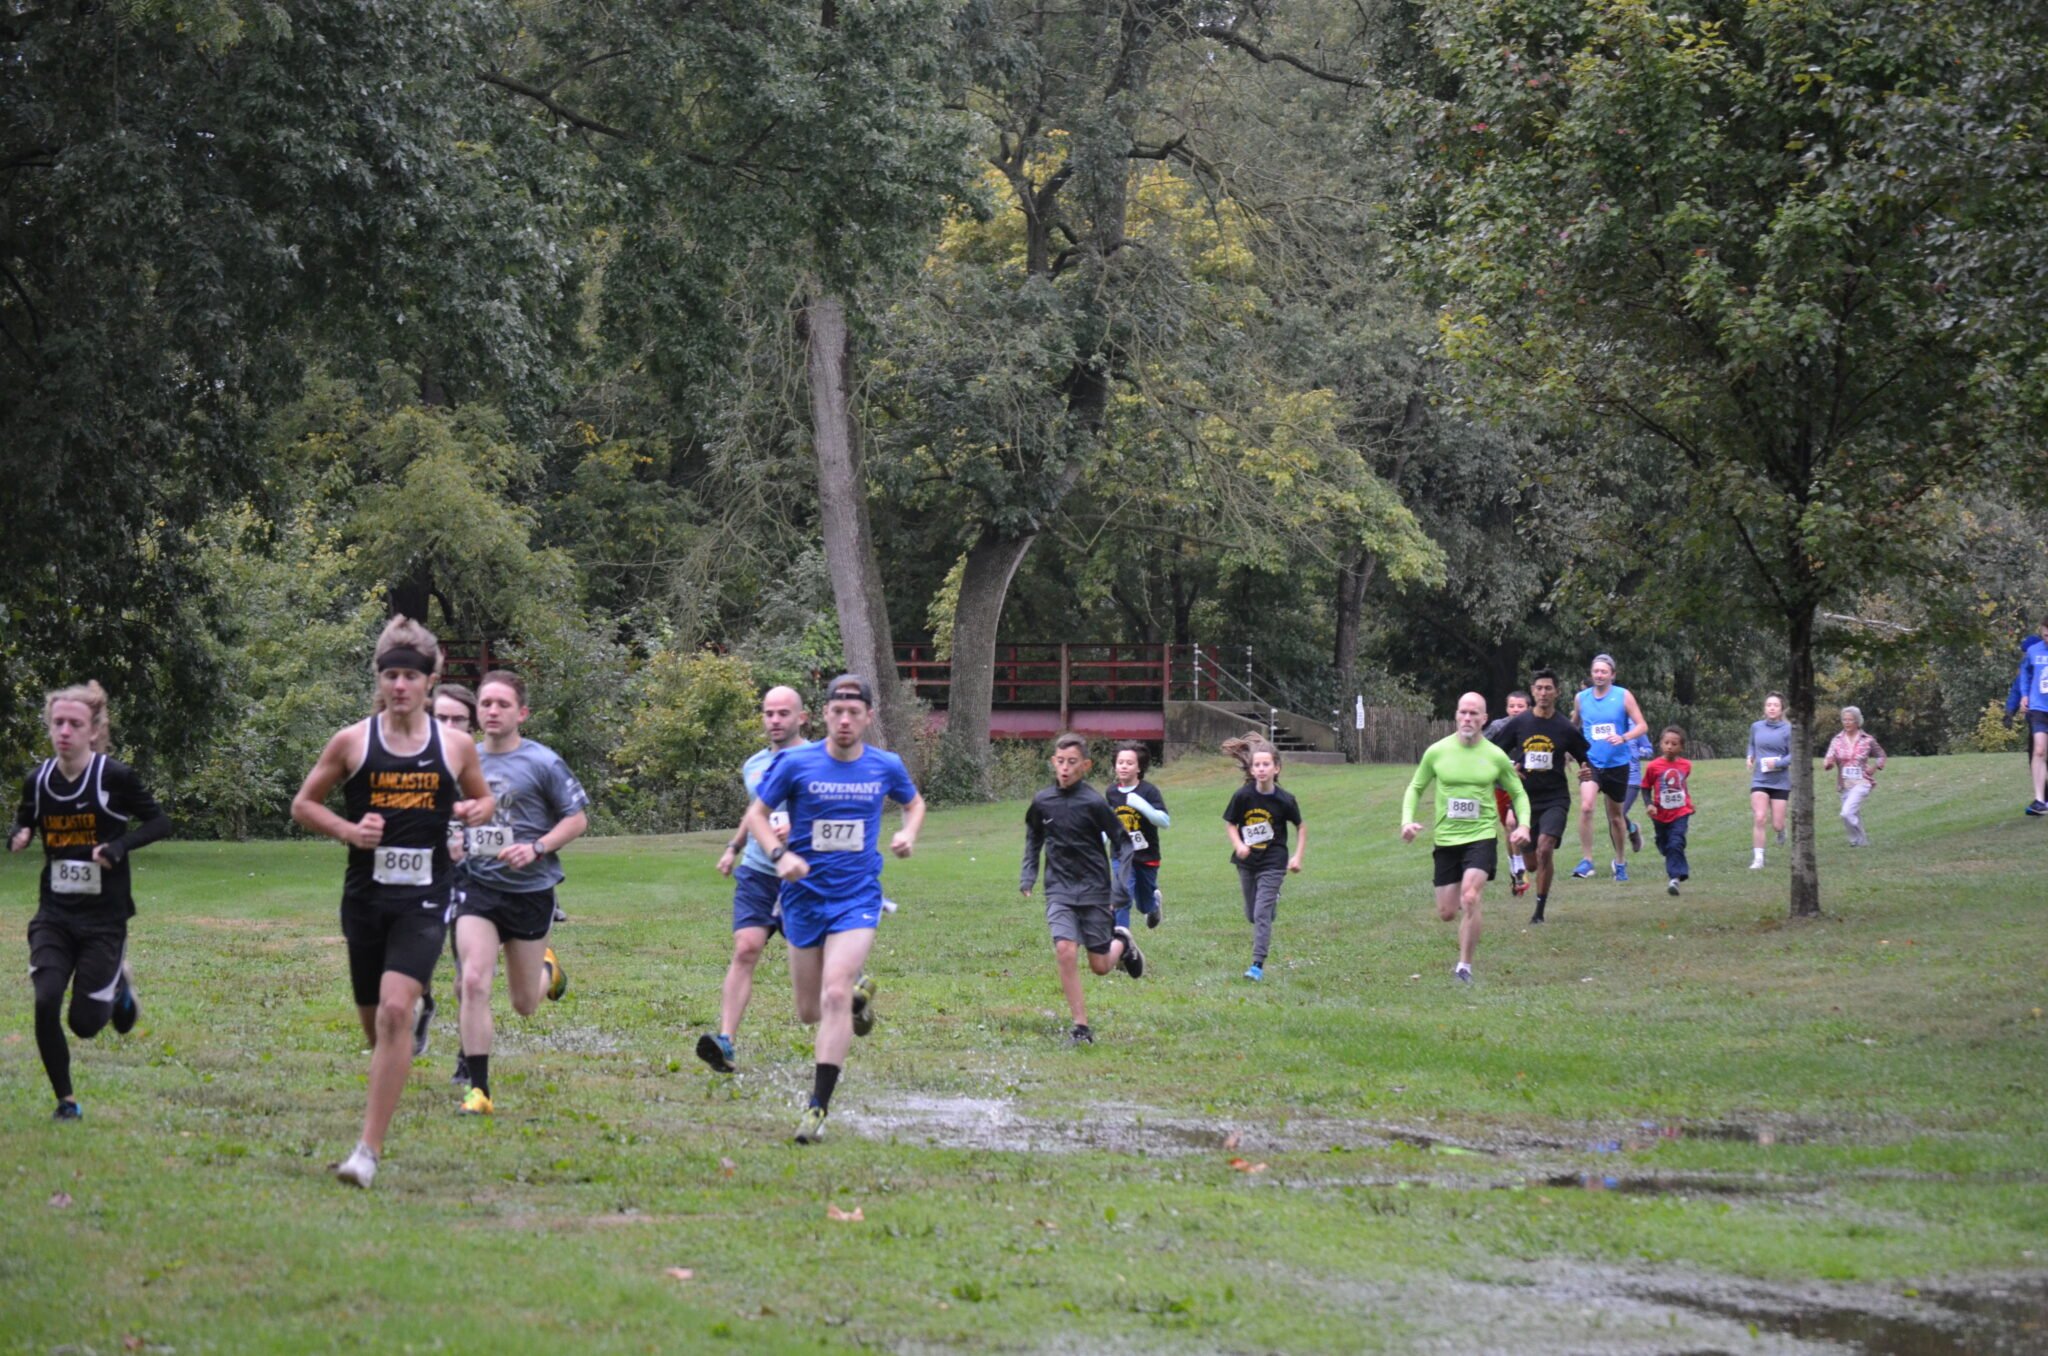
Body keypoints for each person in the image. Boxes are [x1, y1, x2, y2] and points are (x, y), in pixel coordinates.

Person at [291, 617, 492, 1187]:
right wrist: (350, 832)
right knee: (375, 1029)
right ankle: (409, 1025)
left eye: (410, 675)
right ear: (378, 680)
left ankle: (367, 1153)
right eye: (389, 675)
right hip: (366, 899)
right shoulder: (352, 742)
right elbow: (304, 805)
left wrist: (479, 811)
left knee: (394, 1010)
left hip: (426, 895)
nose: (399, 685)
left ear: (430, 682)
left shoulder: (455, 745)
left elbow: (483, 801)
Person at [744, 674, 924, 1144]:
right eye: (837, 713)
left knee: (834, 994)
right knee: (808, 1011)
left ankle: (817, 1108)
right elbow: (758, 817)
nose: (845, 721)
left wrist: (908, 833)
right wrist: (781, 857)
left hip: (857, 898)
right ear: (824, 714)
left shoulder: (885, 765)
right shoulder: (794, 762)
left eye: (854, 714)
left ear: (868, 717)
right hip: (804, 899)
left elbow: (914, 802)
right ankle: (859, 1002)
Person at [11, 682, 171, 1120]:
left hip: (104, 920)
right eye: (57, 723)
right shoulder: (38, 780)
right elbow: (25, 816)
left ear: (93, 731)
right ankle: (66, 1101)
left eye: (74, 724)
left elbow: (160, 822)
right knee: (45, 1000)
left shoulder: (114, 778)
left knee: (83, 1024)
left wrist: (119, 846)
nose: (64, 731)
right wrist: (20, 833)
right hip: (55, 915)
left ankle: (119, 984)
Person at [451, 671, 590, 1115]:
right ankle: (479, 1088)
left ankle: (550, 971)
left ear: (522, 713)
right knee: (473, 980)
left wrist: (536, 848)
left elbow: (577, 819)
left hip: (531, 891)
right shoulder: (464, 759)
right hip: (478, 886)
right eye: (485, 703)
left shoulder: (543, 762)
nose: (492, 711)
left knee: (524, 1003)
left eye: (502, 704)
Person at [700, 685, 810, 1073]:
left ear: (802, 717)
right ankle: (725, 1041)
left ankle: (853, 995)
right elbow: (755, 811)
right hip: (759, 871)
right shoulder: (754, 764)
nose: (775, 720)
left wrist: (799, 827)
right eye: (769, 713)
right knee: (746, 947)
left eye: (783, 713)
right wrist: (733, 847)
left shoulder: (817, 760)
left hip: (803, 874)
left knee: (817, 967)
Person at [1022, 735, 1146, 1047]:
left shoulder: (1093, 803)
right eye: (1060, 761)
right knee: (1065, 949)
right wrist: (1029, 874)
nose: (1065, 768)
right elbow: (1034, 836)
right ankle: (1080, 1027)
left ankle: (1123, 944)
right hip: (1059, 889)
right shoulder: (1042, 801)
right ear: (1053, 762)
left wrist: (1118, 889)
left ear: (1086, 766)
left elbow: (1124, 842)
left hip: (1094, 889)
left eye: (1072, 762)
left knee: (1100, 966)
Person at [1402, 693, 1530, 983]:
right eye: (1463, 712)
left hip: (1481, 836)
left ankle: (1464, 967)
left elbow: (1519, 793)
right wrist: (1407, 821)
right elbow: (1415, 788)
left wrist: (1524, 825)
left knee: (1470, 897)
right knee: (1447, 912)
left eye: (1475, 713)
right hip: (1447, 839)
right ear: (1456, 716)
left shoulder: (1495, 755)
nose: (1468, 718)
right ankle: (1463, 909)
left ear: (1485, 719)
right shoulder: (1437, 752)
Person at [1488, 669, 1591, 924]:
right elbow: (1493, 752)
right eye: (1539, 688)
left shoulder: (1565, 727)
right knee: (1532, 863)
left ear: (1556, 692)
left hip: (1555, 797)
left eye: (1548, 688)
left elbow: (1586, 759)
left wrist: (1587, 771)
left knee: (1546, 848)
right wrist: (1509, 767)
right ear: (1533, 691)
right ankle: (1526, 867)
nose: (1544, 693)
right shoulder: (1520, 723)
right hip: (1524, 799)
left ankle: (1539, 911)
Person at [1221, 735, 1305, 982]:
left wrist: (1297, 857)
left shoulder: (1285, 799)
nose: (1261, 769)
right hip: (1247, 862)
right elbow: (1230, 823)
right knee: (1252, 914)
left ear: (1276, 768)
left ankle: (1257, 965)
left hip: (1274, 861)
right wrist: (1238, 845)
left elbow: (1301, 827)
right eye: (1257, 765)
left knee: (1260, 914)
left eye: (1266, 765)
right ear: (1251, 768)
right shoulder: (1243, 796)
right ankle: (1270, 903)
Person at [430, 684, 479, 1079]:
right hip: (420, 882)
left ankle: (467, 1057)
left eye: (457, 719)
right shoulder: (410, 763)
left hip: (472, 886)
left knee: (468, 978)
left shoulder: (486, 770)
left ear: (471, 726)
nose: (448, 726)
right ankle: (421, 1005)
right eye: (440, 718)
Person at [1571, 655, 1649, 882]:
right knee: (1586, 807)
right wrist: (1566, 750)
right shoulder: (1581, 698)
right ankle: (1587, 861)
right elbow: (1573, 727)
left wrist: (1624, 737)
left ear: (1612, 675)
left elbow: (1642, 726)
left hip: (1617, 764)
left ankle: (1621, 862)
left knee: (1616, 817)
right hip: (1591, 762)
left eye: (1604, 671)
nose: (1599, 675)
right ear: (1591, 673)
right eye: (1596, 671)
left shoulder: (1623, 696)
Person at [1105, 742, 1167, 931]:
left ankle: (1153, 905)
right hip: (1121, 855)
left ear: (1139, 768)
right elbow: (1106, 822)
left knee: (1143, 905)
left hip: (1147, 855)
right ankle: (1122, 941)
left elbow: (1164, 821)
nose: (1123, 766)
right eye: (1120, 762)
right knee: (1122, 895)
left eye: (1129, 763)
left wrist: (1141, 805)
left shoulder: (1148, 791)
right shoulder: (1111, 792)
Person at [1485, 690, 1532, 894]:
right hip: (1502, 786)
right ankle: (1516, 868)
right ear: (1506, 708)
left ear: (1528, 708)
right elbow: (1483, 748)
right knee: (1509, 826)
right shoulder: (1497, 727)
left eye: (1520, 706)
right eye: (1512, 706)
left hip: (1528, 784)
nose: (1516, 710)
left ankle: (1522, 865)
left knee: (1522, 826)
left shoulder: (1533, 725)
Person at [1640, 726, 1695, 895]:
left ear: (1681, 747)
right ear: (1660, 744)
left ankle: (1675, 878)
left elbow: (1682, 785)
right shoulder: (1653, 766)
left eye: (1674, 744)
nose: (1670, 746)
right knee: (1665, 844)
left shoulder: (1686, 765)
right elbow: (1645, 787)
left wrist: (1687, 803)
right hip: (1660, 814)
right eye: (1666, 743)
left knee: (1676, 841)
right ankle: (1677, 864)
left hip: (1681, 812)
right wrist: (1649, 804)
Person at [1822, 706, 1889, 846]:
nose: (1847, 723)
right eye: (1844, 720)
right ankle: (1857, 841)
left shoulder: (1867, 740)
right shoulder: (1837, 740)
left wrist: (1875, 767)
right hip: (1845, 784)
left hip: (1862, 781)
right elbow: (1829, 757)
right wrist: (1828, 763)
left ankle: (1860, 839)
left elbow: (1881, 755)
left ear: (1857, 721)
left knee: (1846, 813)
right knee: (1853, 813)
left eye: (1850, 720)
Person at [1746, 692, 1794, 868]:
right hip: (1760, 780)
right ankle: (1758, 859)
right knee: (1759, 818)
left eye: (1775, 705)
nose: (1772, 708)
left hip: (1780, 781)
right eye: (1769, 705)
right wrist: (1750, 756)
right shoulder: (1756, 727)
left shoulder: (1788, 729)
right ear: (1764, 708)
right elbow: (1751, 744)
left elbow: (1794, 754)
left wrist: (1778, 763)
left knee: (1777, 824)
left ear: (1781, 709)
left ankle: (1781, 830)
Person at [2014, 619, 2048, 815]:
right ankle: (2039, 800)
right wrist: (2025, 695)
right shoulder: (2034, 651)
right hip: (2038, 708)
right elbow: (2024, 674)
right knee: (2039, 750)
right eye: (2046, 636)